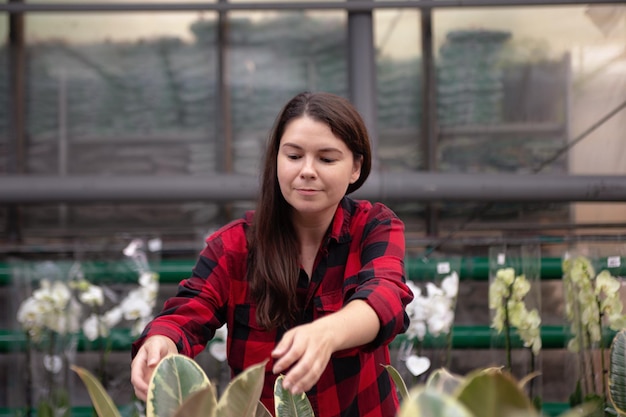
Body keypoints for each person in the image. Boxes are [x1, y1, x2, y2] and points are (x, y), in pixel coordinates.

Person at [130, 91, 414, 417]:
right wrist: (160, 343)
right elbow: (186, 315)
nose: (307, 170)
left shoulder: (374, 227)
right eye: (294, 156)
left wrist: (328, 333)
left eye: (326, 158)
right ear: (276, 158)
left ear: (355, 168)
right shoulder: (233, 246)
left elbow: (387, 295)